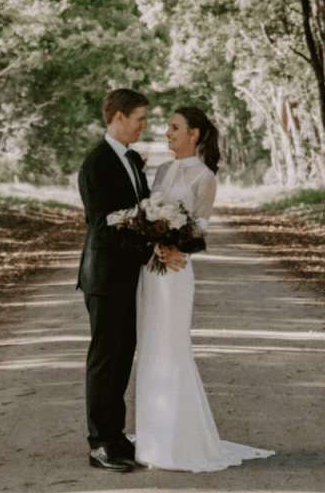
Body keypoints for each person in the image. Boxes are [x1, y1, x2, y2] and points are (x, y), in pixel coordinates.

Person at [132, 105, 274, 472]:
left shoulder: (205, 176)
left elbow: (200, 230)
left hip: (176, 271)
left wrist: (174, 249)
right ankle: (152, 437)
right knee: (150, 346)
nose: (167, 133)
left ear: (193, 135)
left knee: (172, 347)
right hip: (151, 271)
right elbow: (146, 216)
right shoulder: (162, 170)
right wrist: (154, 244)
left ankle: (179, 439)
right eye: (168, 127)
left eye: (174, 127)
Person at [76, 88, 178, 473]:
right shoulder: (95, 164)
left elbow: (141, 209)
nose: (144, 125)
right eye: (140, 118)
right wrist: (145, 240)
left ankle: (116, 435)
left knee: (122, 358)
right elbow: (102, 227)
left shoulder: (133, 160)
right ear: (118, 117)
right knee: (106, 360)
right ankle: (99, 444)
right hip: (104, 276)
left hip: (129, 277)